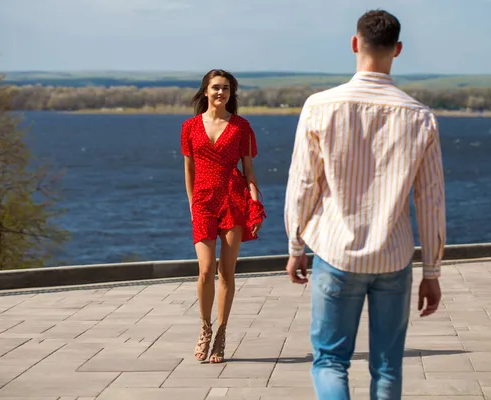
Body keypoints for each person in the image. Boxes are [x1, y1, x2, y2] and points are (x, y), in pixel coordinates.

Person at [284, 9, 446, 400]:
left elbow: (304, 184)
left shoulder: (320, 106)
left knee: (329, 362)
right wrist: (432, 270)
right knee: (388, 366)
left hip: (337, 253)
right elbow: (431, 200)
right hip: (394, 258)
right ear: (398, 49)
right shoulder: (421, 117)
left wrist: (295, 246)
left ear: (355, 44)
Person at [181, 69, 266, 363]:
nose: (221, 93)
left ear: (231, 93)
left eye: (226, 89)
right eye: (216, 88)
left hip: (233, 199)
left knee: (226, 271)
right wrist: (192, 205)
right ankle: (205, 328)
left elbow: (249, 169)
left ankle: (222, 333)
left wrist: (255, 204)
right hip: (203, 202)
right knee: (205, 270)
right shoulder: (190, 127)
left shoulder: (241, 126)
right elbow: (189, 171)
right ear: (205, 91)